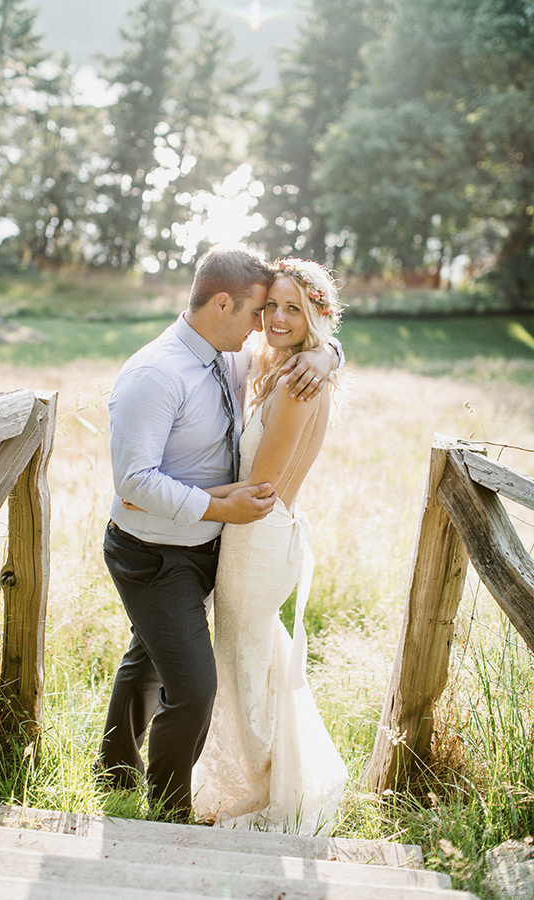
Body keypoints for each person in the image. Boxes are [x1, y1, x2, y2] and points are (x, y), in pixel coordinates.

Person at [100, 247, 342, 819]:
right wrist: (215, 507)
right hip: (152, 551)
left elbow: (306, 337)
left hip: (209, 544)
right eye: (260, 312)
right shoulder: (156, 373)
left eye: (278, 313)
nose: (266, 325)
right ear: (224, 304)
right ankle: (168, 811)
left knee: (149, 652)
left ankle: (113, 769)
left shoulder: (229, 356)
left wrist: (328, 352)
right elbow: (133, 482)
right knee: (195, 686)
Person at [192, 257, 348, 833]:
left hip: (256, 541)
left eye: (292, 309)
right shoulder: (289, 367)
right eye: (270, 307)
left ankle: (262, 792)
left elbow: (261, 489)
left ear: (315, 317)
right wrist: (326, 351)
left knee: (242, 665)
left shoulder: (299, 387)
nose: (276, 319)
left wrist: (172, 495)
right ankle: (270, 778)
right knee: (254, 659)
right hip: (256, 537)